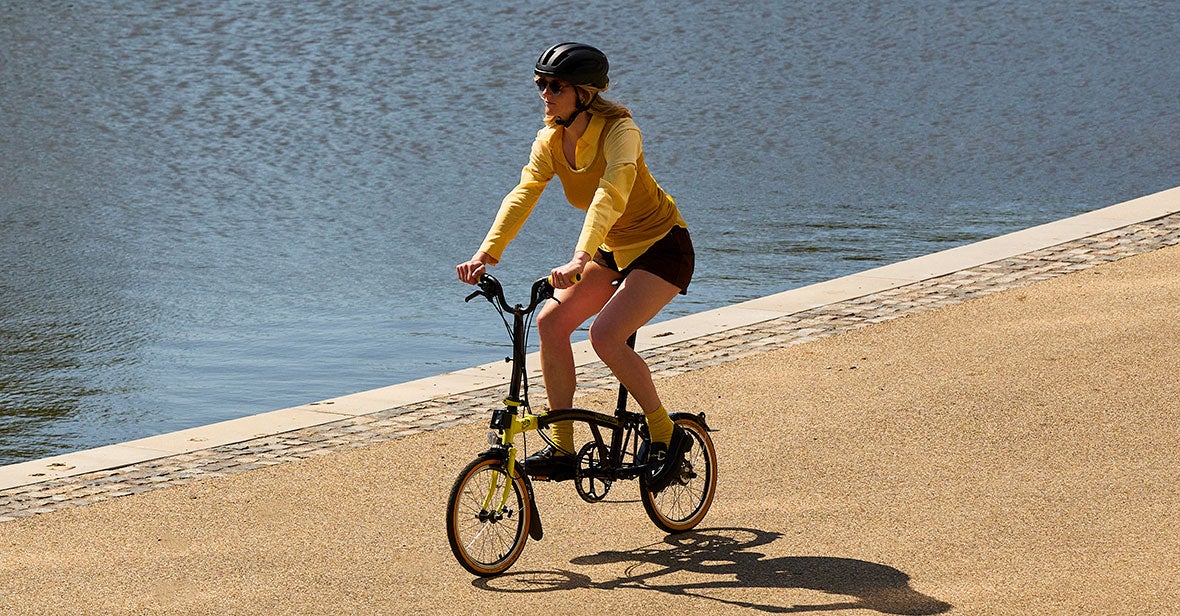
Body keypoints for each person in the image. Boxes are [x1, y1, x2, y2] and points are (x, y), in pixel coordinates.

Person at [456, 42, 694, 491]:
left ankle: (665, 430)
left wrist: (580, 257)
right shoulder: (550, 140)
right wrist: (486, 254)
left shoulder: (621, 131)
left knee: (606, 335)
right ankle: (563, 446)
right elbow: (523, 194)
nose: (545, 93)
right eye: (540, 83)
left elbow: (611, 193)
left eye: (555, 85)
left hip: (662, 247)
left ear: (584, 92)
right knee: (550, 322)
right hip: (611, 248)